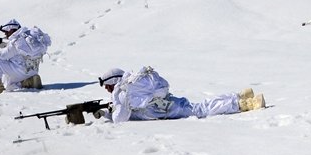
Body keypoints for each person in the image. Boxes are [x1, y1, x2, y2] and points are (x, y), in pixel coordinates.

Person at [97, 66, 265, 124]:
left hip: (166, 110)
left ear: (113, 82)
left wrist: (106, 113)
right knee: (200, 106)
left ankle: (245, 104)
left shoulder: (121, 91)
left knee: (201, 110)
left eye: (107, 86)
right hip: (166, 103)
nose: (107, 90)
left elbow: (120, 119)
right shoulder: (130, 82)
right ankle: (239, 97)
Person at [0, 18, 52, 94]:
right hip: (32, 70)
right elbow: (16, 52)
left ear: (12, 30)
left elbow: (2, 55)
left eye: (6, 31)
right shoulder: (28, 38)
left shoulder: (15, 41)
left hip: (20, 71)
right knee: (11, 80)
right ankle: (29, 81)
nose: (5, 34)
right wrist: (4, 46)